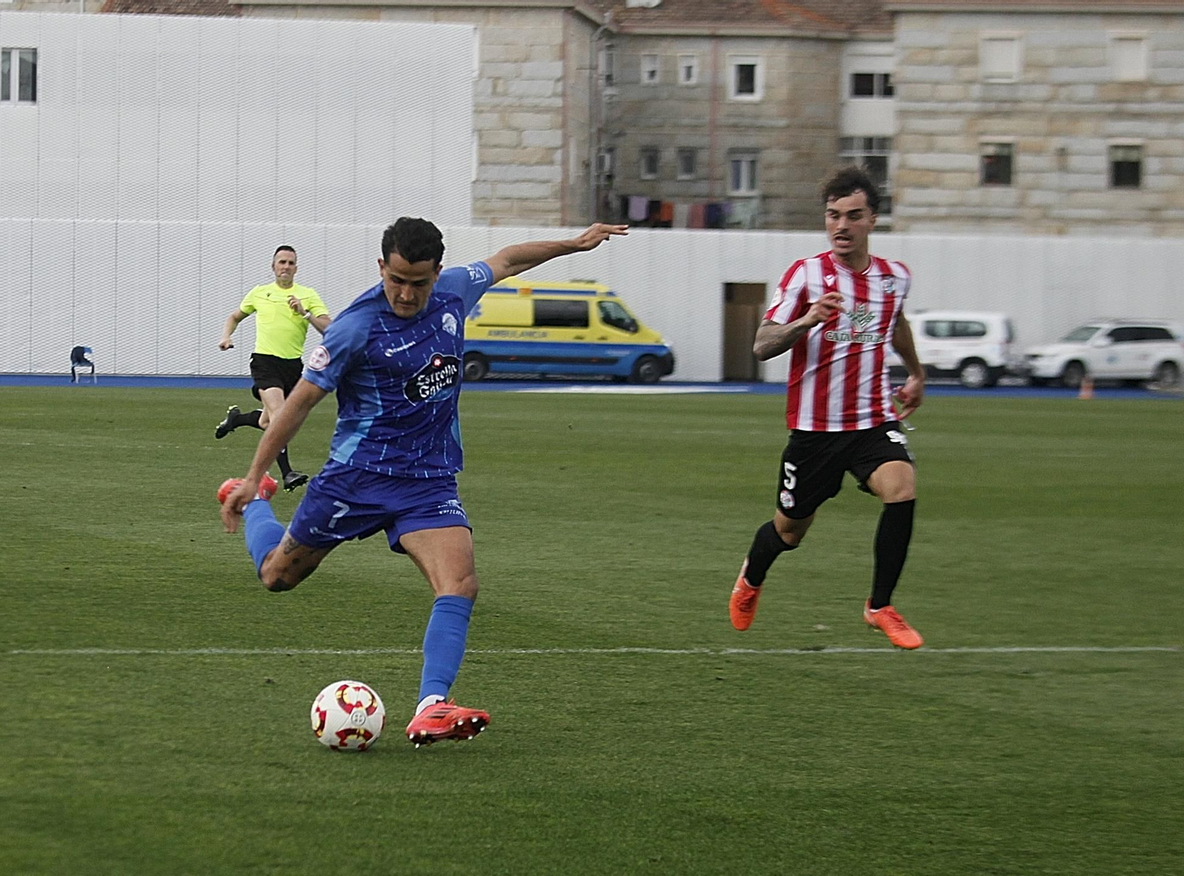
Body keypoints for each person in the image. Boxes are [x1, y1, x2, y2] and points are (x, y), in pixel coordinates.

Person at [220, 217, 627, 746]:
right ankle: (255, 506)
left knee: (459, 583)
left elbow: (508, 260)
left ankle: (432, 705)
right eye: (396, 280)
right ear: (381, 268)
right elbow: (297, 405)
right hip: (355, 479)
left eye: (420, 282)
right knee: (277, 577)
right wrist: (254, 479)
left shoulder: (455, 291)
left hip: (428, 481)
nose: (407, 293)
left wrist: (572, 244)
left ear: (438, 272)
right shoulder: (354, 328)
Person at [728, 166, 926, 650]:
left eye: (853, 216)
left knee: (901, 488)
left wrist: (916, 372)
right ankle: (752, 576)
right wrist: (808, 320)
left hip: (873, 419)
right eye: (833, 216)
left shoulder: (894, 278)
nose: (841, 226)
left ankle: (880, 606)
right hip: (815, 430)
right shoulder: (805, 275)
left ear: (873, 220)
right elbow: (762, 345)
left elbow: (895, 322)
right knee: (789, 530)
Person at [214, 246, 331, 492]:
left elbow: (329, 328)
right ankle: (287, 473)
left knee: (268, 422)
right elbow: (234, 316)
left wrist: (305, 313)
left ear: (296, 268)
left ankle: (238, 419)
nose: (286, 266)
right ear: (273, 266)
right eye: (281, 262)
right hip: (264, 362)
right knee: (280, 416)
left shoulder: (307, 295)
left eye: (290, 263)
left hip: (292, 366)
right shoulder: (260, 293)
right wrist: (226, 336)